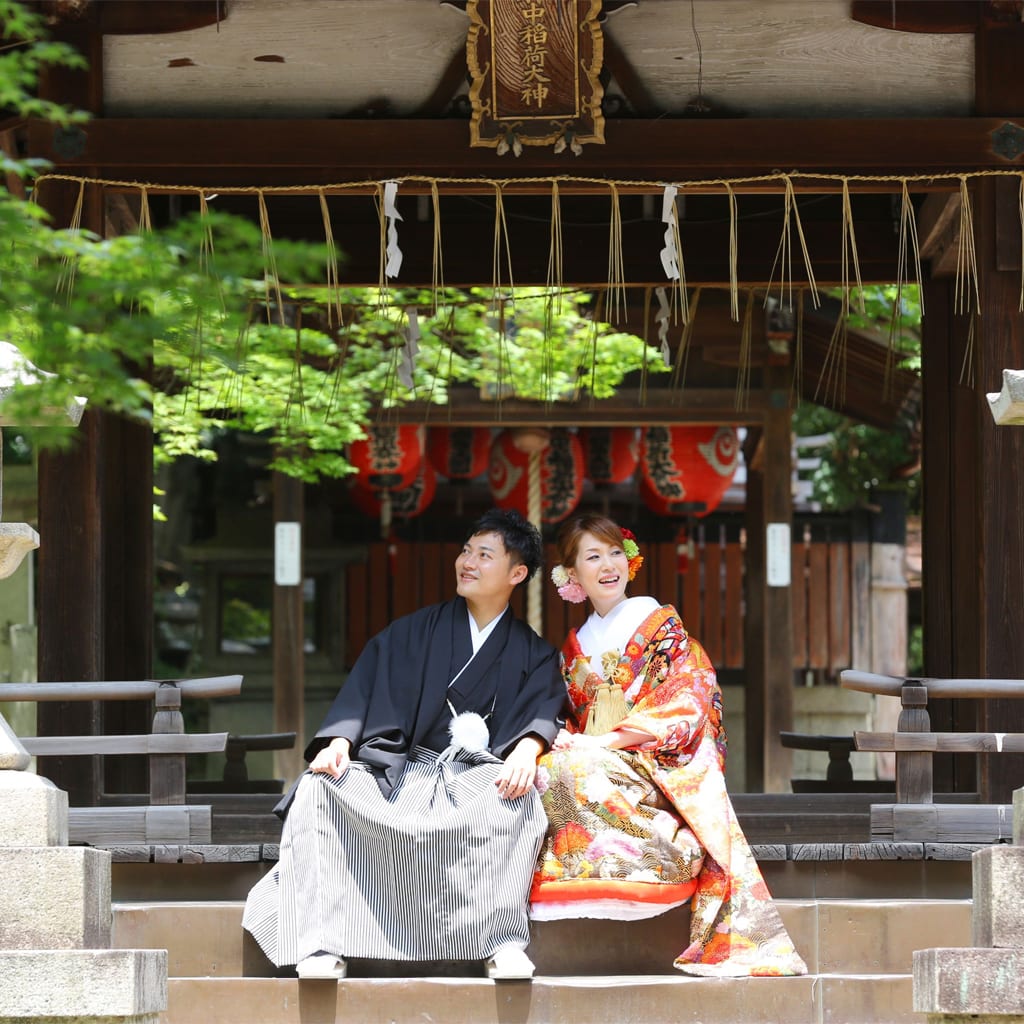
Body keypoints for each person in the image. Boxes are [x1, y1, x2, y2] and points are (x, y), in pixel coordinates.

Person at [243, 508, 565, 981]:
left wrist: (527, 747)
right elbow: (365, 689)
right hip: (400, 769)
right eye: (465, 550)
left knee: (516, 804)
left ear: (517, 573)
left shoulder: (535, 653)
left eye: (484, 554)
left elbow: (544, 709)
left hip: (473, 776)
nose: (467, 561)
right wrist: (337, 741)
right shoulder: (413, 632)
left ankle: (501, 942)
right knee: (320, 790)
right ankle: (321, 942)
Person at [529, 512, 807, 977]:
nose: (608, 564)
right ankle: (586, 875)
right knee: (545, 768)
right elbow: (573, 715)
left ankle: (659, 862)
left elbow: (688, 695)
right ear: (571, 574)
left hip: (655, 760)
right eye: (593, 556)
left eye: (615, 551)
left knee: (574, 770)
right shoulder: (576, 645)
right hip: (601, 755)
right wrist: (573, 739)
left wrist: (605, 743)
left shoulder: (660, 628)